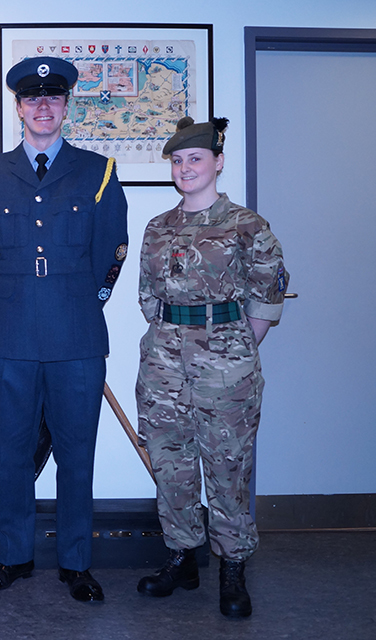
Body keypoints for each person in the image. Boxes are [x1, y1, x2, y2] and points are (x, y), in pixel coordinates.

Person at [0, 56, 128, 602]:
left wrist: (82, 299)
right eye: (32, 99)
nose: (43, 106)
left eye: (53, 98)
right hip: (11, 334)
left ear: (65, 107)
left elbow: (111, 247)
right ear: (19, 108)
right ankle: (13, 556)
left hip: (77, 336)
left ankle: (76, 563)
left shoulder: (97, 171)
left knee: (76, 454)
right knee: (11, 452)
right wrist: (17, 294)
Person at [134, 117, 287, 618]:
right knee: (170, 463)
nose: (185, 168)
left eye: (195, 159)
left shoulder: (247, 226)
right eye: (177, 161)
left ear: (218, 162)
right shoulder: (158, 227)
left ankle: (233, 565)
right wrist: (172, 343)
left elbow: (267, 296)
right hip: (163, 360)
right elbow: (148, 296)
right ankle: (181, 556)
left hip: (225, 361)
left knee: (227, 466)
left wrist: (232, 345)